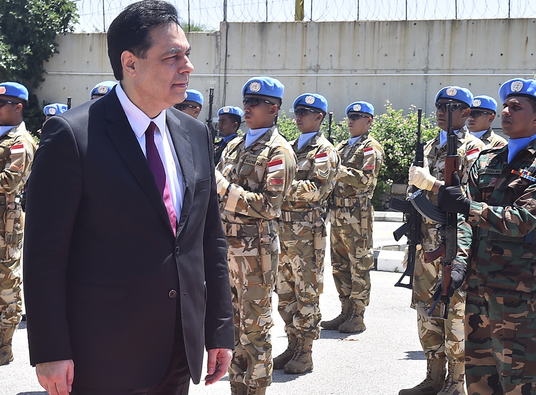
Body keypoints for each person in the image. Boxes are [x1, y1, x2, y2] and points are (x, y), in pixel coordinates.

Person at [23, 2, 235, 394]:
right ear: (130, 63)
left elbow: (209, 240)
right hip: (103, 354)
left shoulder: (195, 134)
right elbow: (44, 255)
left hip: (178, 350)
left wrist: (219, 328)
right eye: (172, 56)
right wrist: (50, 349)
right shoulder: (72, 136)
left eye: (187, 54)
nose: (187, 66)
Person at [437, 78, 536, 394]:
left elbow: (522, 220)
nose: (506, 112)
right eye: (505, 106)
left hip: (520, 289)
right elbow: (465, 223)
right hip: (480, 285)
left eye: (516, 107)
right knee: (480, 380)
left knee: (518, 381)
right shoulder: (486, 160)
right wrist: (459, 262)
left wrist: (468, 206)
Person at [401, 86, 485, 395]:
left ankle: (456, 381)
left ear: (466, 113)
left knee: (456, 313)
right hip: (427, 243)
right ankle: (433, 376)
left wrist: (432, 184)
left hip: (456, 243)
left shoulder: (476, 149)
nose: (441, 111)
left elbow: (469, 197)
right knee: (426, 312)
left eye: (450, 106)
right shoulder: (427, 147)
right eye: (439, 105)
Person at [216, 76, 296, 395]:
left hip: (255, 254)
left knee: (256, 332)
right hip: (226, 249)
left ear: (273, 109)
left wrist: (226, 190)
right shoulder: (235, 145)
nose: (247, 108)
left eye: (255, 103)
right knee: (231, 330)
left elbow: (269, 206)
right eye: (246, 101)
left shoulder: (280, 151)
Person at [274, 93, 339, 374]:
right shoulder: (288, 147)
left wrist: (276, 190)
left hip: (307, 236)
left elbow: (315, 190)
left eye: (305, 112)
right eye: (297, 111)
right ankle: (291, 344)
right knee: (285, 293)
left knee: (307, 294)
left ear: (319, 117)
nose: (298, 116)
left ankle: (306, 351)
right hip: (282, 232)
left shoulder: (324, 151)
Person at [321, 101, 384, 334]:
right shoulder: (342, 146)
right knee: (340, 264)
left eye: (357, 117)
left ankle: (358, 315)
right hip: (338, 211)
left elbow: (366, 179)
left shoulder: (370, 147)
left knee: (359, 263)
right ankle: (345, 310)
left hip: (358, 213)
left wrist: (336, 170)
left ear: (368, 121)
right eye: (349, 116)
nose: (351, 120)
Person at [0, 81, 37, 366]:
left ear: (18, 107)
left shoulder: (20, 141)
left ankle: (3, 349)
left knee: (6, 286)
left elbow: (9, 183)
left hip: (6, 226)